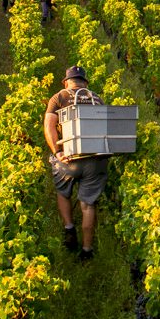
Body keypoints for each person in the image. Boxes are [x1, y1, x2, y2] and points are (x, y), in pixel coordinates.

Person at [43, 66, 110, 261]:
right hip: (96, 159)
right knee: (88, 204)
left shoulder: (59, 97)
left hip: (70, 159)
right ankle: (87, 250)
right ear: (85, 83)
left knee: (63, 191)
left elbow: (48, 125)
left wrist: (58, 152)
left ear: (66, 82)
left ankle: (69, 229)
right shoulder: (96, 98)